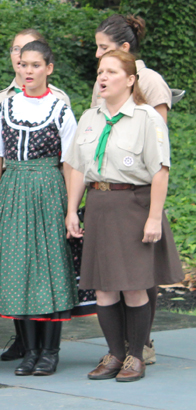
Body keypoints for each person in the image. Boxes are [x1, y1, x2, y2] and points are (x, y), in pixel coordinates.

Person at [65, 50, 183, 382]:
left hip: (133, 206)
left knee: (133, 287)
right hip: (99, 205)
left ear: (130, 80)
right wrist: (72, 209)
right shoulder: (90, 117)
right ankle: (115, 353)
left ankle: (136, 356)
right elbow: (78, 168)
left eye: (111, 72)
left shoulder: (147, 118)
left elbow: (160, 171)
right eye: (100, 71)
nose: (102, 77)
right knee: (104, 288)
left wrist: (154, 218)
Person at [0, 28, 82, 363]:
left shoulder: (60, 109)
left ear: (48, 68)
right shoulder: (5, 107)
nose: (28, 71)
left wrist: (71, 209)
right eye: (24, 64)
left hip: (48, 189)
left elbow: (71, 163)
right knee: (18, 268)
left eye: (35, 65)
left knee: (50, 268)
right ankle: (28, 351)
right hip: (13, 189)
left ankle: (49, 351)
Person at [92, 14, 173, 364]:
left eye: (103, 48)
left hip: (138, 191)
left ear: (125, 47)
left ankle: (142, 344)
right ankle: (121, 348)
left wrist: (152, 209)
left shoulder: (150, 81)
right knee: (113, 277)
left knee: (141, 273)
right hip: (108, 192)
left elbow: (156, 143)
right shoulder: (104, 80)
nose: (98, 55)